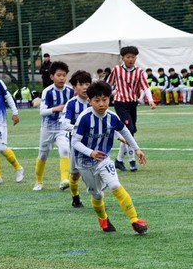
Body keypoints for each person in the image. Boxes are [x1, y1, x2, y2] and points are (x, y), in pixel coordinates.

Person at [71, 81, 148, 234]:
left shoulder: (112, 117)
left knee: (115, 185)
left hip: (103, 160)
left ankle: (134, 220)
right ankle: (103, 219)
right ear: (90, 101)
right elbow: (75, 142)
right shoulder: (84, 118)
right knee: (97, 194)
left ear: (109, 99)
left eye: (105, 100)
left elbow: (125, 131)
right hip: (84, 163)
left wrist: (137, 149)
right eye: (97, 100)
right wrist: (90, 152)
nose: (101, 104)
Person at [107, 45, 155, 172]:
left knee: (129, 132)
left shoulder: (139, 71)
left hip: (132, 103)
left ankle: (119, 160)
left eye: (133, 57)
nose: (131, 59)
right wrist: (102, 97)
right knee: (129, 129)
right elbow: (108, 84)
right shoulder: (116, 70)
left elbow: (145, 86)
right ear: (122, 58)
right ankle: (132, 160)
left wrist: (150, 100)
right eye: (128, 57)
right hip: (120, 102)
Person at [33, 60, 74, 191]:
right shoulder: (47, 91)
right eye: (59, 75)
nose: (62, 78)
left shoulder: (70, 91)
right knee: (43, 154)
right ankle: (38, 181)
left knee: (65, 149)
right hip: (48, 128)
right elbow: (42, 112)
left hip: (62, 127)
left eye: (64, 75)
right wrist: (55, 109)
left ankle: (64, 180)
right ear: (52, 77)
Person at [60, 70, 93, 208]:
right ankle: (75, 198)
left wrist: (118, 135)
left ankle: (97, 200)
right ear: (74, 87)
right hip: (76, 145)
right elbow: (64, 124)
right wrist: (80, 129)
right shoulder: (72, 104)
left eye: (87, 83)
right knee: (74, 176)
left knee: (95, 174)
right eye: (81, 84)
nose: (85, 87)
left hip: (93, 144)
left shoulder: (95, 102)